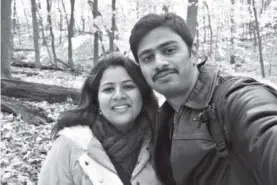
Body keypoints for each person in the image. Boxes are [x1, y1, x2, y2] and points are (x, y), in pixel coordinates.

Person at [129, 13, 277, 185]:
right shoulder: (163, 120)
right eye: (147, 58)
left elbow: (265, 130)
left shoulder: (234, 98)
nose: (159, 63)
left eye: (169, 50)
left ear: (193, 52)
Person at [38, 53, 160, 185]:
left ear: (142, 94)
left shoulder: (159, 137)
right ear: (96, 99)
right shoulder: (71, 144)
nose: (119, 96)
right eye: (108, 89)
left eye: (128, 86)